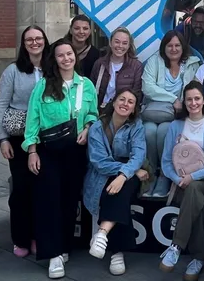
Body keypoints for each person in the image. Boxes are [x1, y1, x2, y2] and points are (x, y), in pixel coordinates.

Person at [25, 38, 100, 279]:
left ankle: (64, 244)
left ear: (75, 56)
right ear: (54, 59)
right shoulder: (44, 85)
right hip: (48, 150)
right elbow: (32, 119)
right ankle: (53, 254)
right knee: (50, 201)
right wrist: (32, 150)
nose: (66, 58)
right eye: (61, 55)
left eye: (69, 54)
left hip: (75, 150)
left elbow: (93, 113)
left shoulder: (86, 85)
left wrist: (88, 127)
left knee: (69, 201)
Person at [159, 81, 204, 280]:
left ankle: (176, 246)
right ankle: (198, 259)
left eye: (197, 98)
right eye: (189, 99)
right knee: (195, 199)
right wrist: (178, 179)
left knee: (195, 189)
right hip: (181, 183)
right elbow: (166, 162)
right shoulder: (175, 126)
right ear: (184, 102)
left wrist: (192, 177)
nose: (193, 103)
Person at [0, 25, 48, 258]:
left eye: (38, 38)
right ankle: (21, 237)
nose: (34, 43)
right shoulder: (13, 71)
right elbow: (1, 105)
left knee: (41, 190)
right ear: (24, 44)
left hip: (45, 137)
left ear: (45, 41)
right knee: (21, 190)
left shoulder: (52, 68)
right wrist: (2, 139)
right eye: (29, 39)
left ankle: (38, 235)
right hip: (19, 137)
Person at [84, 88, 149, 276]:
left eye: (130, 102)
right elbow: (99, 162)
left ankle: (102, 233)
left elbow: (138, 156)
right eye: (122, 99)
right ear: (113, 102)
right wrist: (129, 170)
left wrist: (123, 175)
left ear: (134, 108)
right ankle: (116, 252)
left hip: (128, 176)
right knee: (115, 192)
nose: (125, 104)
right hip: (102, 174)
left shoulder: (136, 126)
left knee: (121, 190)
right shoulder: (97, 127)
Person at [141, 30, 202, 197]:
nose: (173, 49)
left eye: (177, 45)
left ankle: (164, 174)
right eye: (169, 45)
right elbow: (147, 87)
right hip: (154, 111)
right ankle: (151, 174)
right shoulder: (154, 61)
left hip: (178, 115)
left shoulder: (192, 64)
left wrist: (180, 104)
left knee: (164, 131)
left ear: (183, 47)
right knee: (148, 131)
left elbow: (194, 88)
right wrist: (173, 99)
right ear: (164, 47)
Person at [90, 27, 143, 114]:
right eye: (117, 42)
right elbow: (91, 92)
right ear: (110, 43)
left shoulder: (136, 66)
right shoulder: (99, 64)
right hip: (101, 111)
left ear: (129, 46)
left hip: (124, 112)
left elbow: (137, 95)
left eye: (124, 43)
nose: (120, 46)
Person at [67, 14, 102, 79]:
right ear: (71, 30)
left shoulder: (96, 54)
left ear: (90, 31)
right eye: (77, 28)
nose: (81, 31)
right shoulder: (59, 49)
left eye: (85, 29)